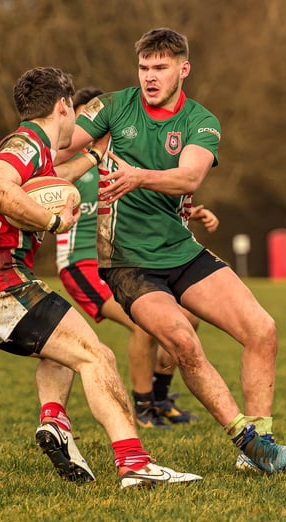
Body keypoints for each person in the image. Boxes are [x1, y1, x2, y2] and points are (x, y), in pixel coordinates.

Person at [0, 66, 201, 489]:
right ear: (64, 107)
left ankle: (55, 422)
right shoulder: (25, 145)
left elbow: (51, 180)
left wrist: (94, 156)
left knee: (64, 351)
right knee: (98, 358)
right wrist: (53, 221)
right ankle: (135, 464)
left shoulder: (33, 149)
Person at [55, 29, 286, 474]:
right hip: (127, 264)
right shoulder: (112, 105)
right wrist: (23, 168)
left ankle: (259, 443)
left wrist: (138, 176)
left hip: (181, 251)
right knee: (183, 342)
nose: (150, 77)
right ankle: (250, 444)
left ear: (183, 69)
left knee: (263, 330)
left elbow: (189, 177)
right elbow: (58, 143)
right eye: (144, 67)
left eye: (160, 67)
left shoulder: (202, 121)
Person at [53, 87, 219, 429]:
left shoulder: (122, 157)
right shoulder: (81, 164)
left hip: (120, 256)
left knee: (187, 320)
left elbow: (149, 201)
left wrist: (192, 212)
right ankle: (143, 407)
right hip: (83, 263)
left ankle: (158, 398)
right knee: (145, 323)